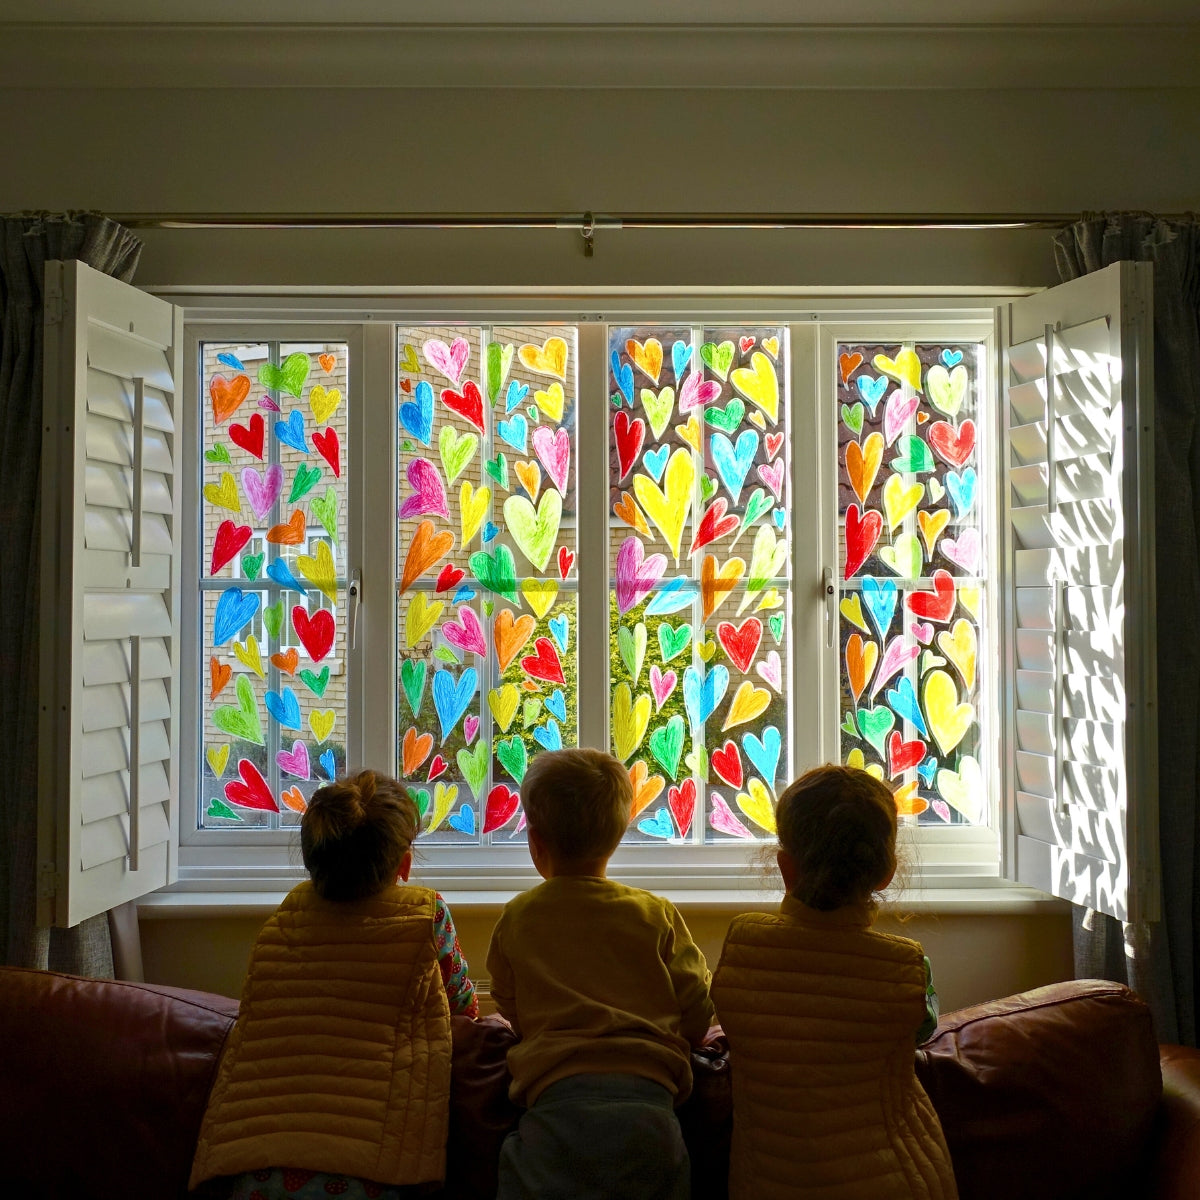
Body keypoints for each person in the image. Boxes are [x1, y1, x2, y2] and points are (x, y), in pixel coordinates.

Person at [189, 771, 478, 1200]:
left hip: (255, 1165)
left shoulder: (283, 921)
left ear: (312, 860)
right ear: (404, 863)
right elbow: (464, 1010)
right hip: (372, 1169)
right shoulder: (425, 915)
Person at [712, 764, 957, 1200]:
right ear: (885, 872)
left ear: (786, 868)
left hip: (768, 1181)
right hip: (899, 1179)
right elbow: (923, 1029)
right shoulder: (907, 966)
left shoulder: (741, 949)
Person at [487, 747, 715, 1200]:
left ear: (535, 841)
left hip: (555, 1101)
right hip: (651, 1105)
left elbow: (510, 1006)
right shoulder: (656, 913)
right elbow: (697, 1007)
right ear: (619, 833)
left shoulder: (518, 916)